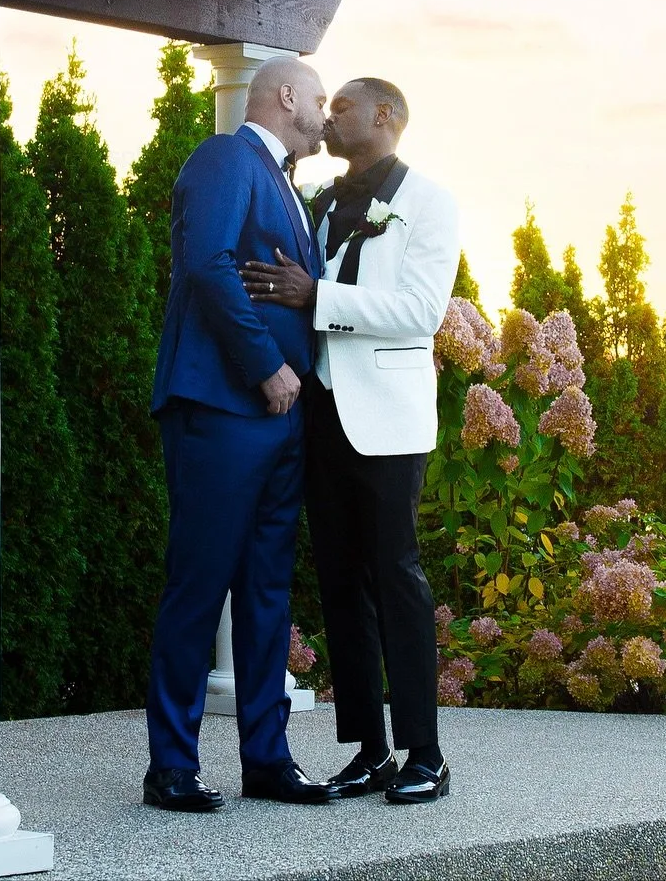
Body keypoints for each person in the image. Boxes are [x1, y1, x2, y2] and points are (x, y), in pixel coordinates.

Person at [241, 76, 459, 805]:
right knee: (339, 581)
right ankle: (370, 751)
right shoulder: (322, 201)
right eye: (324, 106)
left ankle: (426, 754)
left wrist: (318, 297)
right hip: (321, 416)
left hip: (390, 421)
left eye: (342, 107)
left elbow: (422, 309)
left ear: (387, 116)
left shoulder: (428, 202)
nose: (328, 116)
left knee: (395, 576)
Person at [143, 56, 333, 813]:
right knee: (199, 586)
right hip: (224, 410)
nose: (325, 110)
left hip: (283, 419)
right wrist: (265, 367)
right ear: (285, 95)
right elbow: (206, 264)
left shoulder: (286, 180)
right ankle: (171, 767)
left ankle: (268, 758)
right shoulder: (225, 157)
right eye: (319, 97)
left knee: (267, 591)